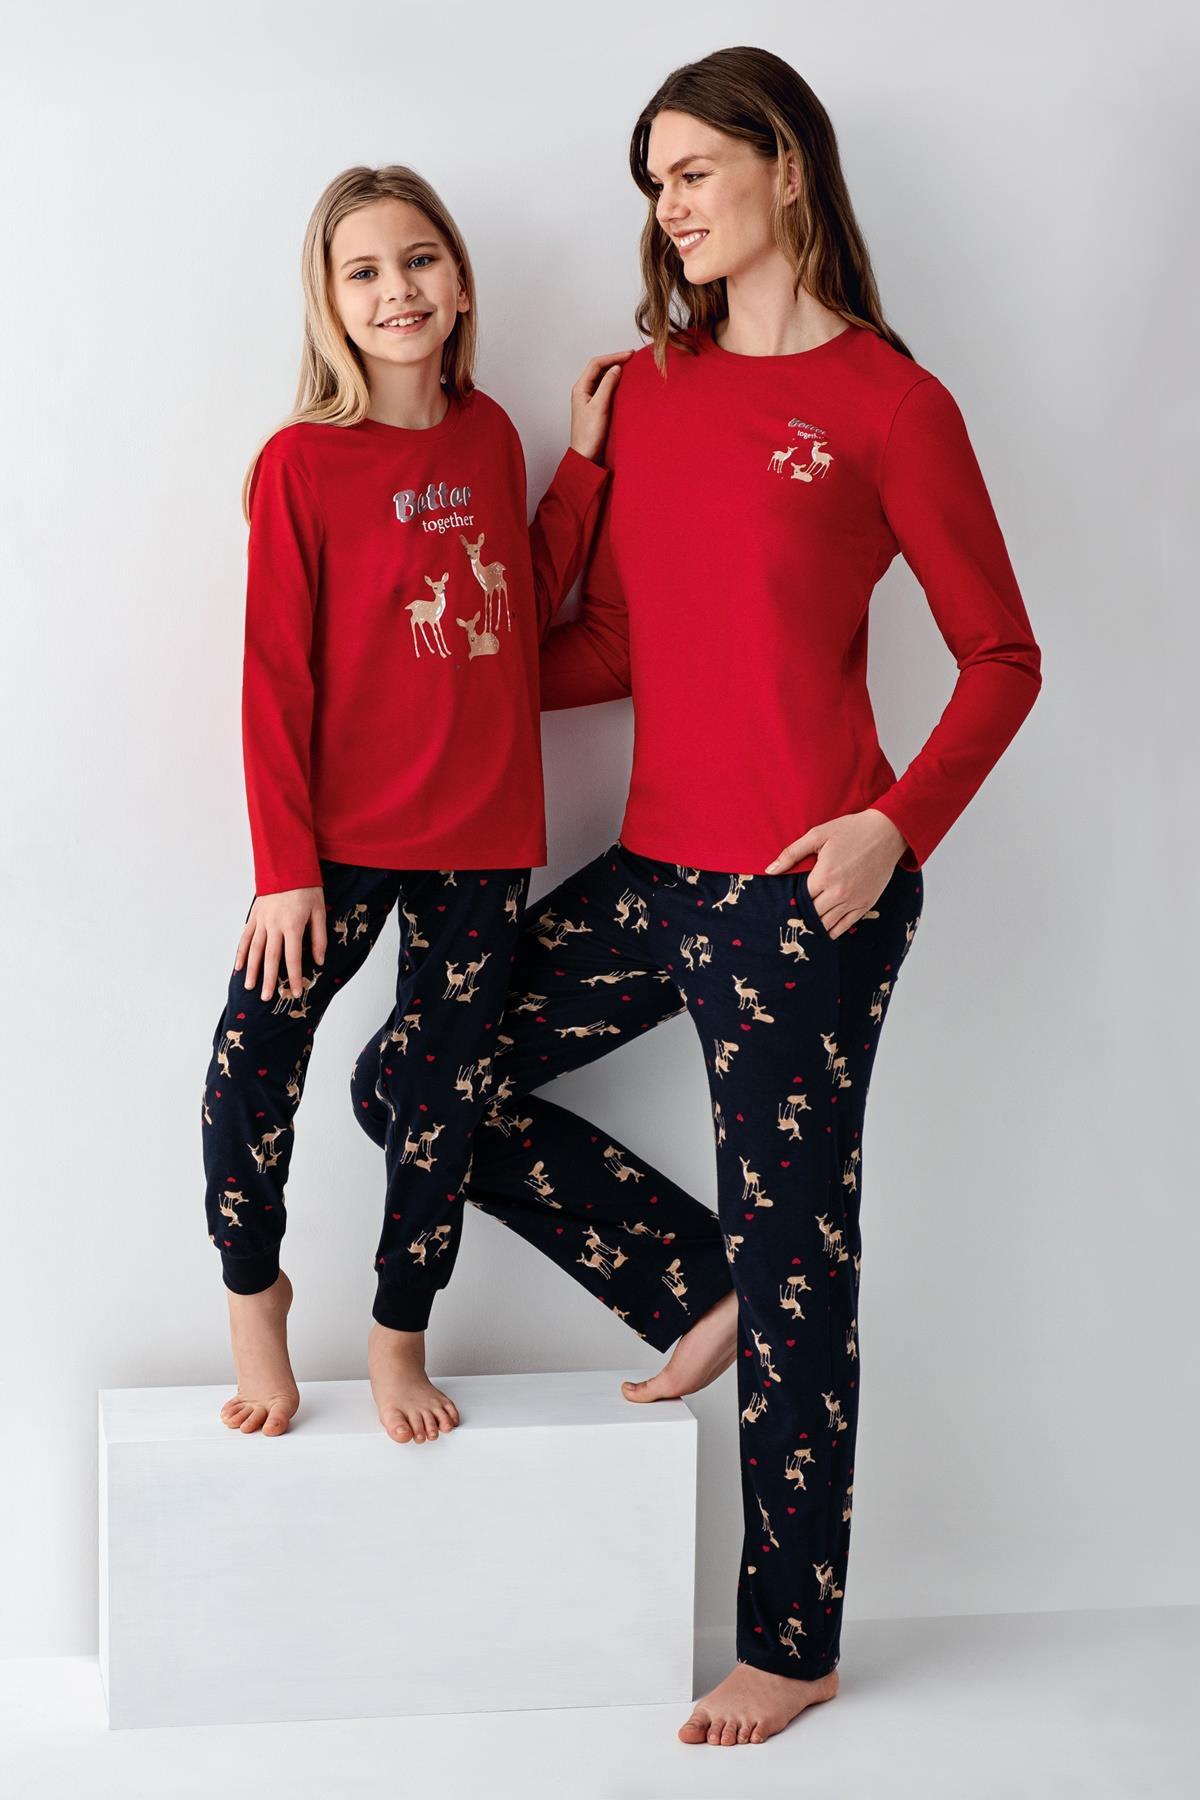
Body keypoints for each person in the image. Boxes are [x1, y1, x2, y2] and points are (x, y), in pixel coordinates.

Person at [351, 47, 1044, 1748]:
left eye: (690, 170)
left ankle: (791, 1645)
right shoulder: (653, 392)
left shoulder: (892, 406)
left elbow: (1002, 657)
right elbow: (601, 645)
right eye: (652, 182)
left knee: (806, 1263)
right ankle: (686, 1275)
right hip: (660, 870)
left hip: (808, 896)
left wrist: (892, 829)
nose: (667, 206)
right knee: (411, 1078)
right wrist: (470, 614)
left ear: (785, 166)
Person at [200, 162, 626, 1446]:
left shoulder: (490, 434)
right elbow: (273, 679)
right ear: (331, 301)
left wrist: (582, 468)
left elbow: (517, 603)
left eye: (420, 259)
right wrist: (284, 868)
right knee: (251, 1065)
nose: (399, 289)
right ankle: (254, 1295)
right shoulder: (301, 464)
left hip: (483, 838)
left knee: (440, 1100)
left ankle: (399, 1332)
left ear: (460, 282)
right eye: (366, 270)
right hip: (335, 847)